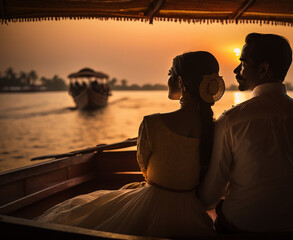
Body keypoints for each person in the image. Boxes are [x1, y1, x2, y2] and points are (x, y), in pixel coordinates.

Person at [36, 51, 225, 237]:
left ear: (181, 82)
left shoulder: (152, 124)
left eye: (170, 74)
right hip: (191, 209)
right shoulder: (217, 128)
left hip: (152, 203)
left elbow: (145, 169)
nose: (168, 80)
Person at [198, 33, 293, 233]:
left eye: (242, 63)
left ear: (263, 69)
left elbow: (209, 198)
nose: (235, 70)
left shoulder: (231, 121)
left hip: (241, 229)